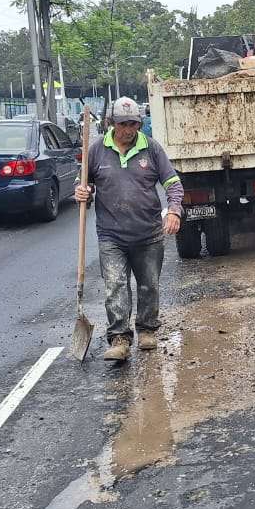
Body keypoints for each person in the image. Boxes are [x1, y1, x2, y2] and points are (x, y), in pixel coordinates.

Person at [74, 96, 184, 361]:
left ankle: (147, 329)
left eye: (133, 123)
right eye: (123, 124)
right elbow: (84, 186)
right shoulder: (97, 150)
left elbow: (172, 183)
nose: (128, 129)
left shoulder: (152, 149)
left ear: (139, 123)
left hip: (148, 233)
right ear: (112, 123)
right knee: (115, 285)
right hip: (111, 234)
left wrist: (174, 210)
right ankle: (120, 338)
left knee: (149, 285)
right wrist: (82, 192)